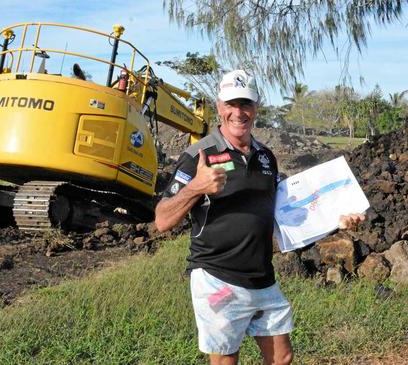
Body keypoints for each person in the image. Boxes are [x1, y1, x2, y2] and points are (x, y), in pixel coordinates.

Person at [154, 70, 365, 365]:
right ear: (219, 107)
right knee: (226, 360)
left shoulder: (266, 157)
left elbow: (284, 218)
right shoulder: (199, 155)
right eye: (231, 104)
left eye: (246, 105)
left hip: (262, 277)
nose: (238, 113)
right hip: (218, 279)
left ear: (256, 108)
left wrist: (334, 220)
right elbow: (162, 220)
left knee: (282, 357)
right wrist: (195, 188)